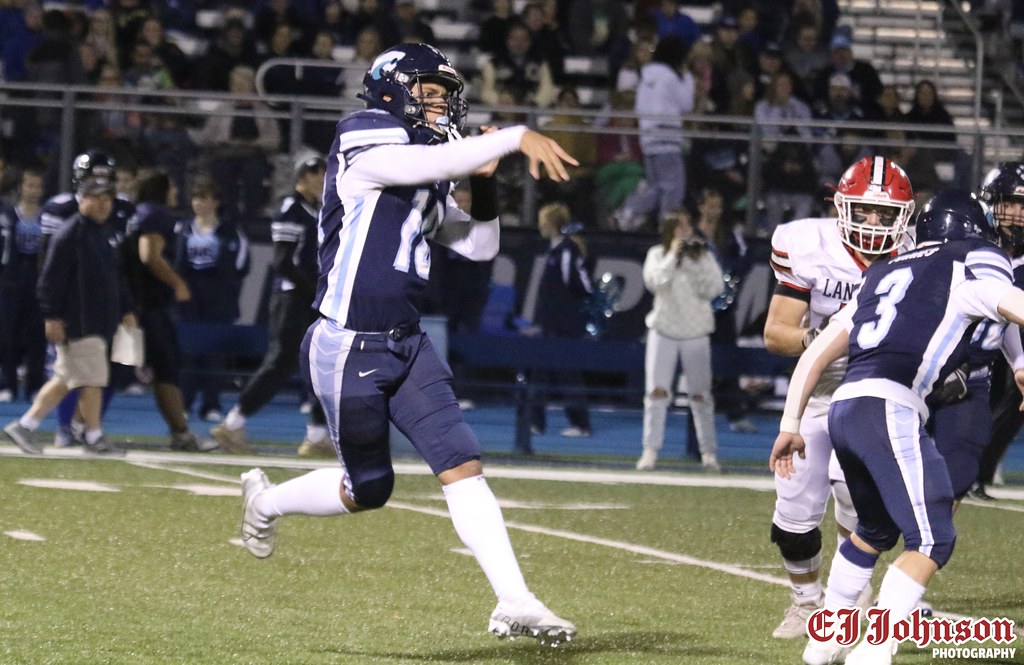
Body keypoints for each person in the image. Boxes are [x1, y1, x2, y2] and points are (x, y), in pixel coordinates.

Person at [238, 43, 578, 645]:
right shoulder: (363, 136)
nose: (441, 102)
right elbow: (417, 167)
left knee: (462, 466)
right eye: (429, 90)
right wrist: (513, 136)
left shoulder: (426, 163)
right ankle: (265, 504)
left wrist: (486, 185)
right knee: (368, 488)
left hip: (407, 342)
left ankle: (515, 601)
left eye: (445, 93)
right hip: (348, 344)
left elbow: (479, 247)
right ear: (392, 89)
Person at [773, 190, 1024, 665]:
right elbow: (1013, 304)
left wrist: (790, 423)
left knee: (872, 530)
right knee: (933, 538)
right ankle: (876, 648)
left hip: (844, 406)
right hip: (891, 406)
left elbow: (813, 353)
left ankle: (823, 642)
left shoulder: (885, 272)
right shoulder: (967, 266)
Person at [762, 156, 916, 639]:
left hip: (878, 392)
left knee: (861, 507)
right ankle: (806, 604)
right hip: (820, 388)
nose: (873, 223)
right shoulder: (806, 243)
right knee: (793, 516)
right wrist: (825, 341)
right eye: (864, 211)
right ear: (840, 205)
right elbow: (776, 333)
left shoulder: (920, 251)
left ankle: (851, 598)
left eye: (885, 214)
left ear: (905, 217)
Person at [2, 169, 136, 456]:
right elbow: (49, 279)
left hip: (96, 321)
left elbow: (114, 277)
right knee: (91, 380)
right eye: (95, 198)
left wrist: (124, 309)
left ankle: (31, 426)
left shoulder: (104, 234)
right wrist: (51, 316)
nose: (102, 204)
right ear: (81, 200)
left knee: (70, 379)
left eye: (107, 199)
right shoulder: (71, 234)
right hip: (81, 321)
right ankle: (91, 436)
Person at [212, 156, 331, 457]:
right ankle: (233, 422)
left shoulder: (314, 209)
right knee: (280, 363)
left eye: (322, 172)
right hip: (293, 299)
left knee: (320, 364)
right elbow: (282, 262)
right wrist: (315, 294)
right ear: (299, 176)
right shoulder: (291, 208)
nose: (320, 177)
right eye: (313, 172)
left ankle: (317, 434)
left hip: (307, 298)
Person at [38, 150, 136, 448]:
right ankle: (65, 426)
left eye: (104, 180)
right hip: (74, 301)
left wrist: (126, 304)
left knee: (108, 369)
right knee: (69, 370)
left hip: (108, 298)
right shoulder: (62, 209)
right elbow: (50, 262)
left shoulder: (123, 210)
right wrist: (52, 310)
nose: (100, 187)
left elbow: (123, 261)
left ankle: (89, 426)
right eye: (93, 178)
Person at [122, 169, 215, 452]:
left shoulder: (136, 213)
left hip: (134, 303)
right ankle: (181, 433)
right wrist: (177, 282)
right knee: (167, 369)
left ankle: (80, 427)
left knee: (113, 370)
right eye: (171, 187)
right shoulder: (156, 214)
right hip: (151, 306)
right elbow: (149, 254)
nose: (175, 193)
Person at [636, 209, 725, 472]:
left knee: (700, 396)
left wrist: (696, 261)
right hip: (663, 330)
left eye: (687, 227)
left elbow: (714, 289)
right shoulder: (657, 254)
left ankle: (708, 453)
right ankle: (650, 451)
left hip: (696, 332)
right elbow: (655, 282)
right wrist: (673, 255)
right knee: (656, 393)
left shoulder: (703, 255)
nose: (685, 232)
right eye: (679, 227)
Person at [968, 162, 1024, 499]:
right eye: (1009, 203)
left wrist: (1019, 363)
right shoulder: (967, 246)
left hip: (992, 347)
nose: (1017, 214)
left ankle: (978, 473)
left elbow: (1008, 324)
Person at [175, 175, 250, 423]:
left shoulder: (230, 231)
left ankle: (211, 404)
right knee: (188, 353)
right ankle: (183, 403)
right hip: (189, 296)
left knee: (214, 353)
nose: (200, 204)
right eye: (196, 198)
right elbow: (175, 262)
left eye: (205, 199)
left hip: (218, 298)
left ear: (216, 202)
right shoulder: (183, 228)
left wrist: (224, 289)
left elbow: (241, 263)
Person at [613, 37, 695, 231]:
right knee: (674, 187)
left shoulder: (645, 76)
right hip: (666, 137)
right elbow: (687, 104)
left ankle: (628, 211)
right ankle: (665, 227)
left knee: (657, 187)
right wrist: (688, 77)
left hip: (648, 138)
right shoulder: (669, 77)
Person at [529, 202, 594, 438]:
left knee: (568, 374)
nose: (540, 224)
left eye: (542, 219)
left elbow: (582, 284)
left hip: (564, 324)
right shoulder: (555, 250)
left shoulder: (567, 250)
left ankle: (581, 424)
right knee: (540, 373)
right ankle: (536, 422)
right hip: (549, 323)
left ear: (551, 223)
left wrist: (565, 310)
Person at [0, 167, 46, 403]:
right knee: (6, 335)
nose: (33, 191)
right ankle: (7, 384)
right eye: (29, 185)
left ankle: (35, 385)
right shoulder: (8, 215)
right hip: (11, 281)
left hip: (37, 282)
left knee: (37, 336)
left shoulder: (47, 217)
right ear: (20, 187)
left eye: (38, 186)